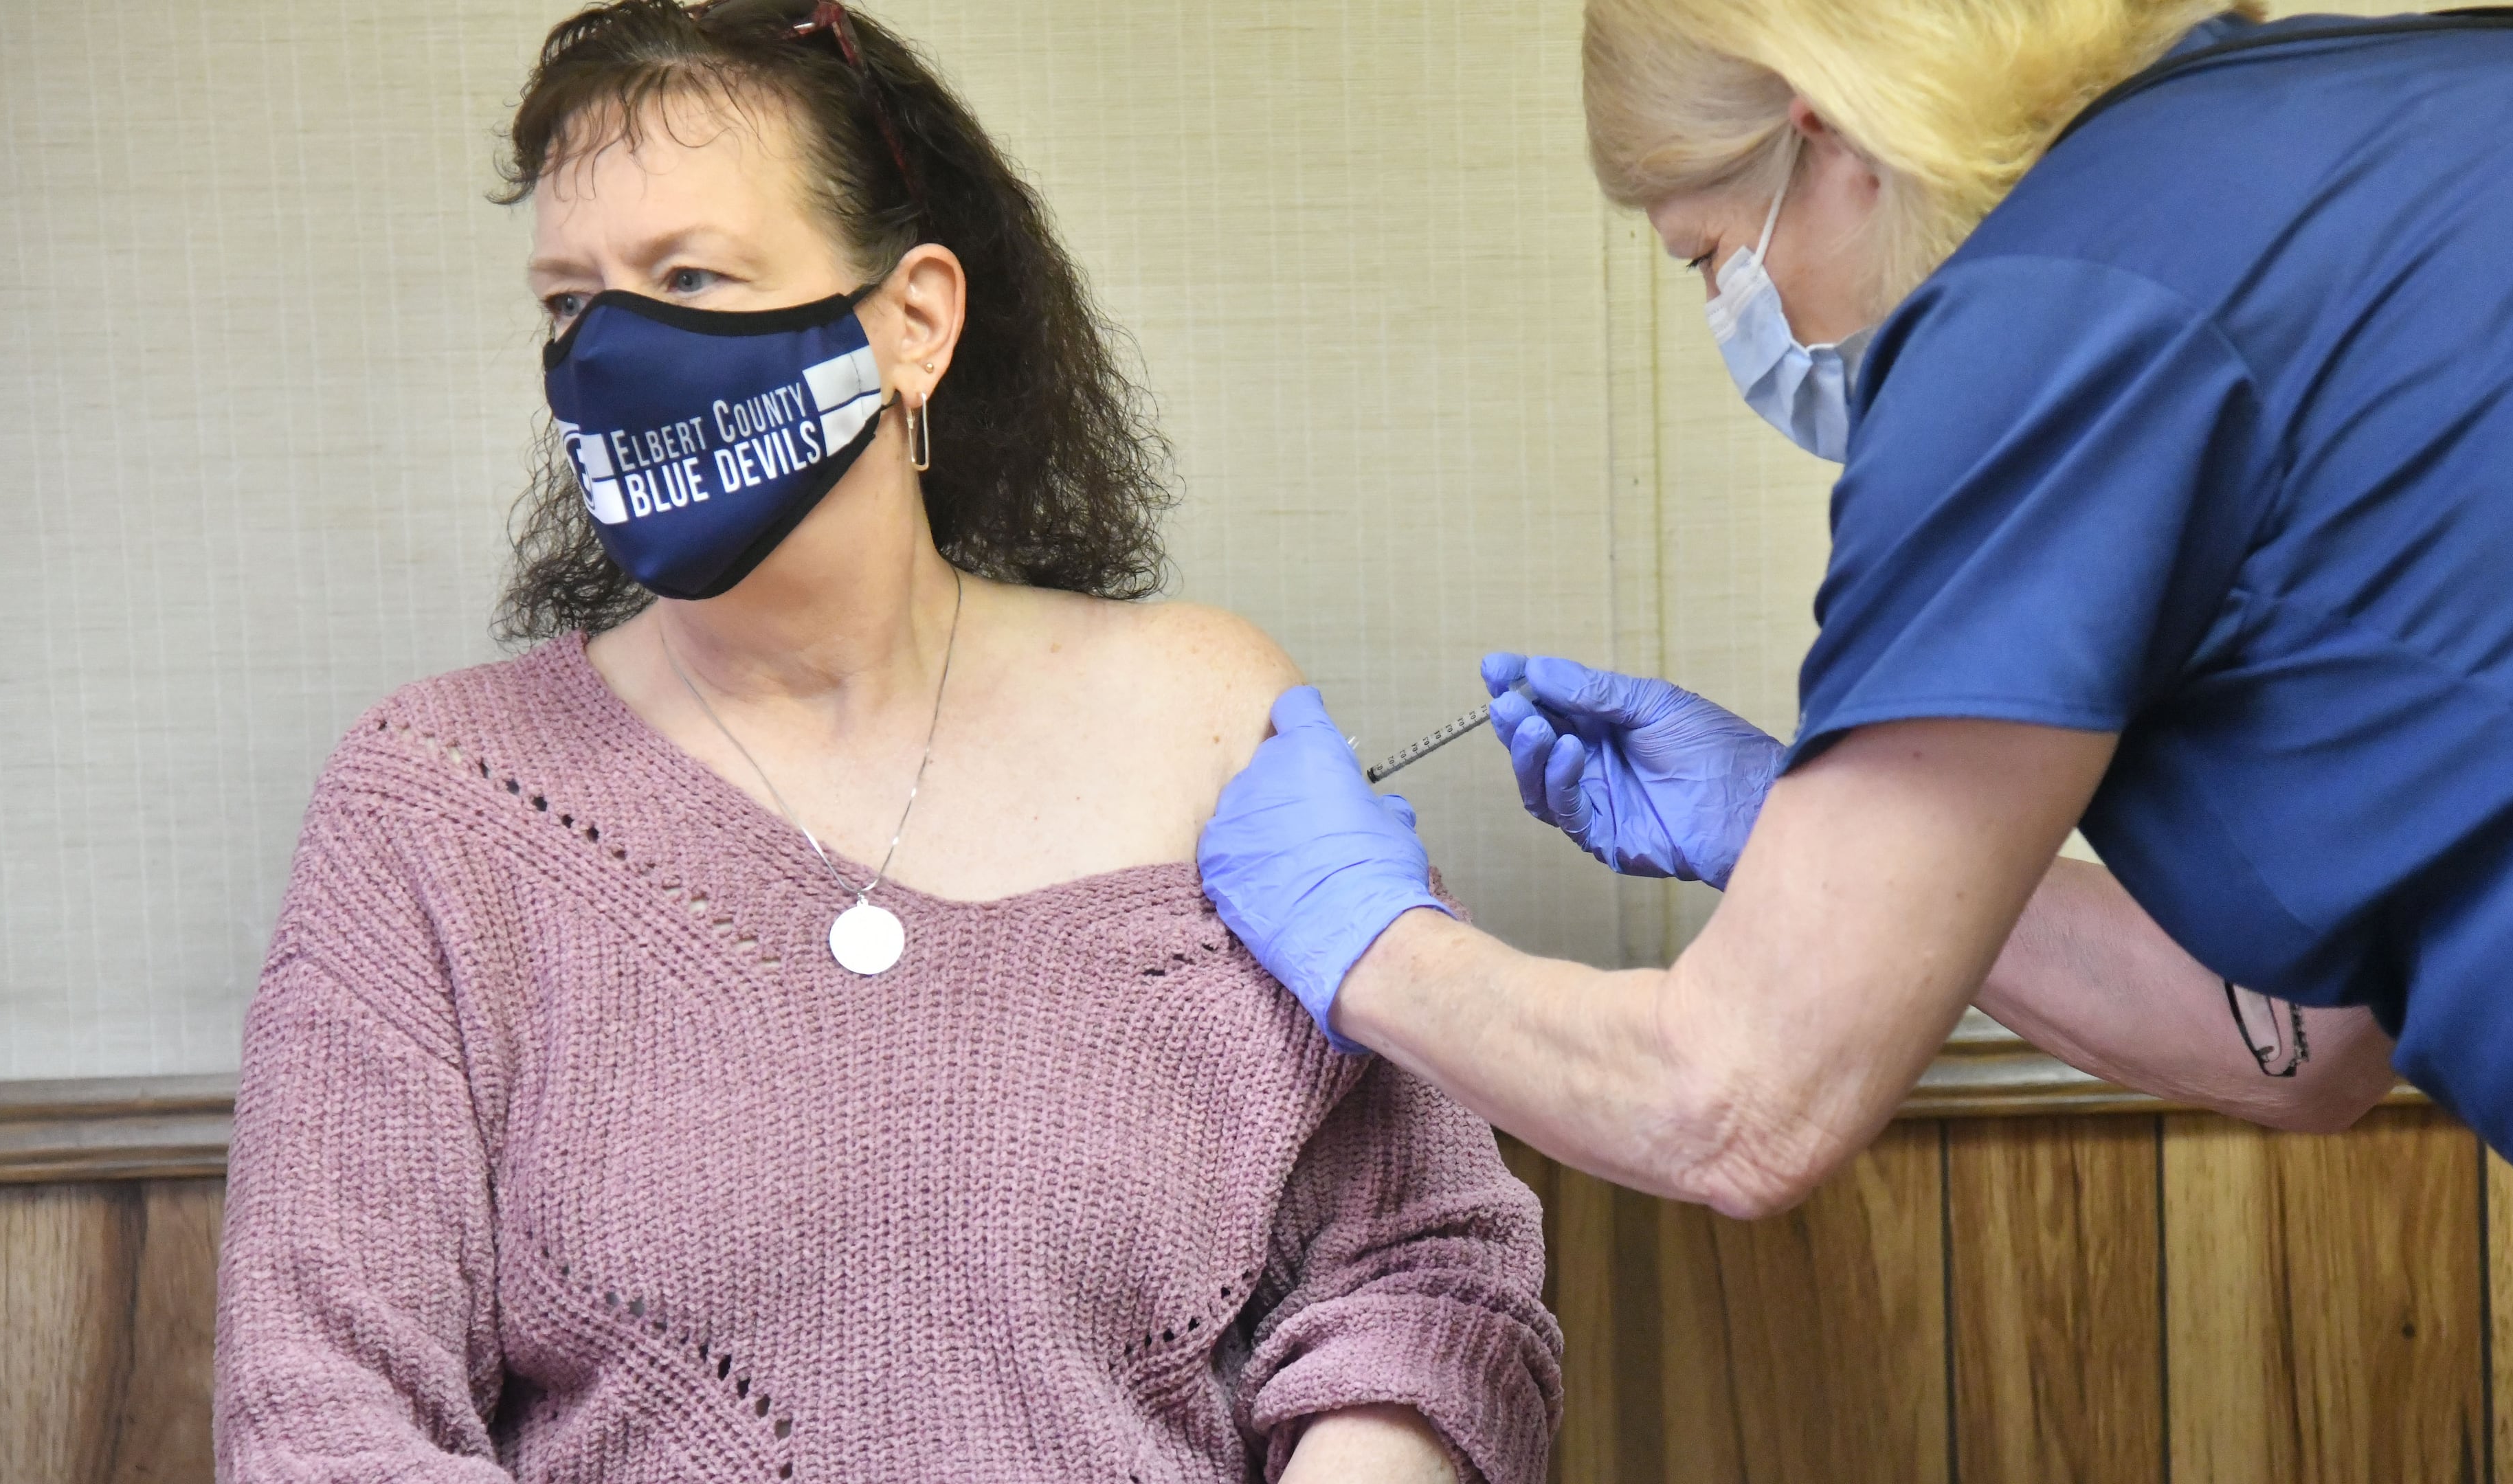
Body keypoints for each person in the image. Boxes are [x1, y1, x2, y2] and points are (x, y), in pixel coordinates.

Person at [211, 4, 1559, 1480]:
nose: (608, 355)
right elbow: (324, 1407)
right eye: (567, 304)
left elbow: (1426, 1269)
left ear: (913, 320)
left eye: (689, 277)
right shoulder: (437, 805)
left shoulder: (1210, 718)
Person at [1198, 0, 2513, 1217]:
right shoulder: (2368, 112)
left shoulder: (2044, 324)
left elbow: (1733, 1106)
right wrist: (1778, 831)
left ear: (1827, 122)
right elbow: (2310, 1044)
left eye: (1709, 255)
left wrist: (1362, 934)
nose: (1739, 309)